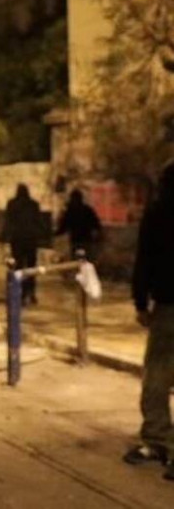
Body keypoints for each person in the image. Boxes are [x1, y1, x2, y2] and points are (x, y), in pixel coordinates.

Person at [123, 163, 174, 481]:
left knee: (157, 373)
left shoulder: (158, 213)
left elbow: (145, 260)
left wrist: (140, 301)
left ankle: (158, 438)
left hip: (168, 304)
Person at [1, 184, 44, 306]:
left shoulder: (12, 204)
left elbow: (8, 221)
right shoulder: (33, 205)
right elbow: (38, 221)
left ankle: (19, 292)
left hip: (17, 239)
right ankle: (31, 292)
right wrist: (42, 235)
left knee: (18, 266)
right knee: (31, 267)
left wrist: (4, 236)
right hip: (31, 239)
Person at [56, 189, 102, 261]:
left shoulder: (70, 211)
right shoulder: (87, 210)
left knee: (76, 261)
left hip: (76, 241)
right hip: (86, 240)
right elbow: (96, 224)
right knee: (86, 259)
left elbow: (63, 226)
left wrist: (55, 234)